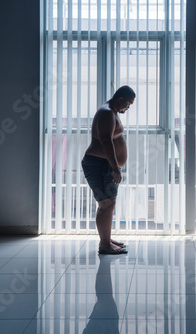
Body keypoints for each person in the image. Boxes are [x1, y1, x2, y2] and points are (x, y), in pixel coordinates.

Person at [81, 85, 135, 254]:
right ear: (120, 99)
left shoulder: (112, 112)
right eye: (128, 104)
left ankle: (106, 239)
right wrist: (115, 168)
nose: (128, 108)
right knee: (106, 204)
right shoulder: (106, 113)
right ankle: (104, 245)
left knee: (108, 203)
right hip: (100, 163)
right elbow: (106, 141)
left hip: (104, 164)